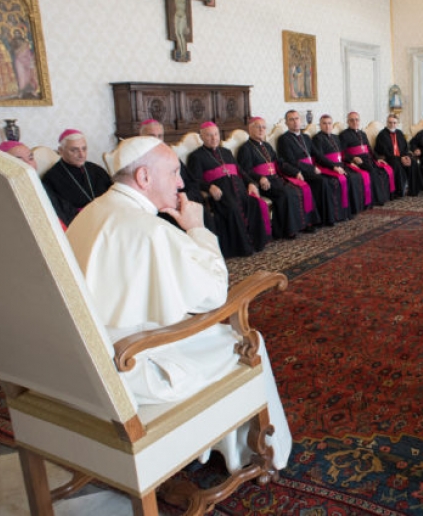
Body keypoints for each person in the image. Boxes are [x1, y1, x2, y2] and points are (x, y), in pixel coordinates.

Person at [65, 136, 292, 473]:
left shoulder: (90, 213)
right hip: (134, 369)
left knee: (208, 337)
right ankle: (260, 454)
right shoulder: (151, 230)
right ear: (144, 177)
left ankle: (212, 445)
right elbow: (213, 295)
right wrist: (196, 229)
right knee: (246, 342)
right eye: (173, 172)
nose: (181, 183)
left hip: (85, 365)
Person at [187, 122, 269, 257]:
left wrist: (250, 182)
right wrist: (209, 187)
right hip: (222, 195)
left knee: (253, 204)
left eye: (216, 134)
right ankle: (242, 248)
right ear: (201, 137)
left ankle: (257, 243)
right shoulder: (196, 156)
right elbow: (194, 179)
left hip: (239, 190)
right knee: (233, 209)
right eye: (209, 135)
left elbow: (240, 171)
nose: (214, 138)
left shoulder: (226, 152)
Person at [237, 116, 314, 239]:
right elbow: (245, 171)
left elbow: (279, 163)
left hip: (275, 179)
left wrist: (295, 172)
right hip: (263, 183)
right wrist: (260, 178)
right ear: (250, 129)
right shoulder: (245, 149)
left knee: (298, 190)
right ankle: (287, 230)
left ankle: (302, 224)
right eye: (258, 127)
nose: (261, 130)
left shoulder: (267, 146)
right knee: (286, 194)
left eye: (263, 127)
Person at [139, 118, 217, 234]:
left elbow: (191, 182)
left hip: (183, 202)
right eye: (151, 136)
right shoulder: (138, 161)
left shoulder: (171, 156)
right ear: (141, 137)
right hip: (162, 210)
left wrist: (185, 198)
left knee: (202, 214)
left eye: (160, 136)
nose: (157, 140)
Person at [277, 109, 341, 226]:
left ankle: (329, 216)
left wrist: (333, 166)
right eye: (291, 120)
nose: (295, 122)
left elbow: (318, 155)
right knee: (322, 181)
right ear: (286, 123)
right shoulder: (284, 139)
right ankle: (320, 219)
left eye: (297, 119)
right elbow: (290, 161)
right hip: (300, 171)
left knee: (329, 180)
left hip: (312, 169)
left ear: (300, 120)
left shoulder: (306, 137)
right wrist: (311, 169)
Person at [42, 129, 112, 226]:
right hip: (81, 224)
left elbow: (113, 194)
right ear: (61, 151)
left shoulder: (96, 169)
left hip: (108, 217)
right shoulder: (51, 178)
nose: (81, 155)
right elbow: (61, 212)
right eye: (74, 150)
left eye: (84, 149)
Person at [312, 114, 362, 218]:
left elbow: (342, 153)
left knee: (355, 176)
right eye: (324, 124)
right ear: (320, 125)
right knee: (344, 179)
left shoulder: (335, 137)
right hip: (328, 166)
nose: (327, 126)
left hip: (341, 164)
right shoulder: (317, 138)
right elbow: (319, 157)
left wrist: (350, 162)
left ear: (332, 125)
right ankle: (340, 213)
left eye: (329, 123)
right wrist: (334, 167)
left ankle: (352, 209)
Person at [339, 111, 393, 205]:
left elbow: (369, 148)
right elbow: (342, 152)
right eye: (352, 120)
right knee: (372, 171)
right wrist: (353, 158)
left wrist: (377, 158)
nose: (355, 122)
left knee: (382, 170)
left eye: (357, 120)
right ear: (347, 122)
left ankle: (385, 196)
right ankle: (377, 199)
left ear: (359, 121)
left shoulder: (362, 133)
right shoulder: (343, 135)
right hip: (358, 160)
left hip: (368, 158)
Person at [375, 114, 422, 198]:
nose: (392, 125)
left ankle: (413, 190)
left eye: (394, 123)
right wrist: (400, 159)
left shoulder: (399, 133)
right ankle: (400, 191)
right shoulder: (382, 135)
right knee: (396, 164)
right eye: (390, 122)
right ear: (387, 123)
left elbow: (405, 147)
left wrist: (407, 156)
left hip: (401, 157)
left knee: (413, 162)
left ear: (397, 124)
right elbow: (384, 151)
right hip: (390, 158)